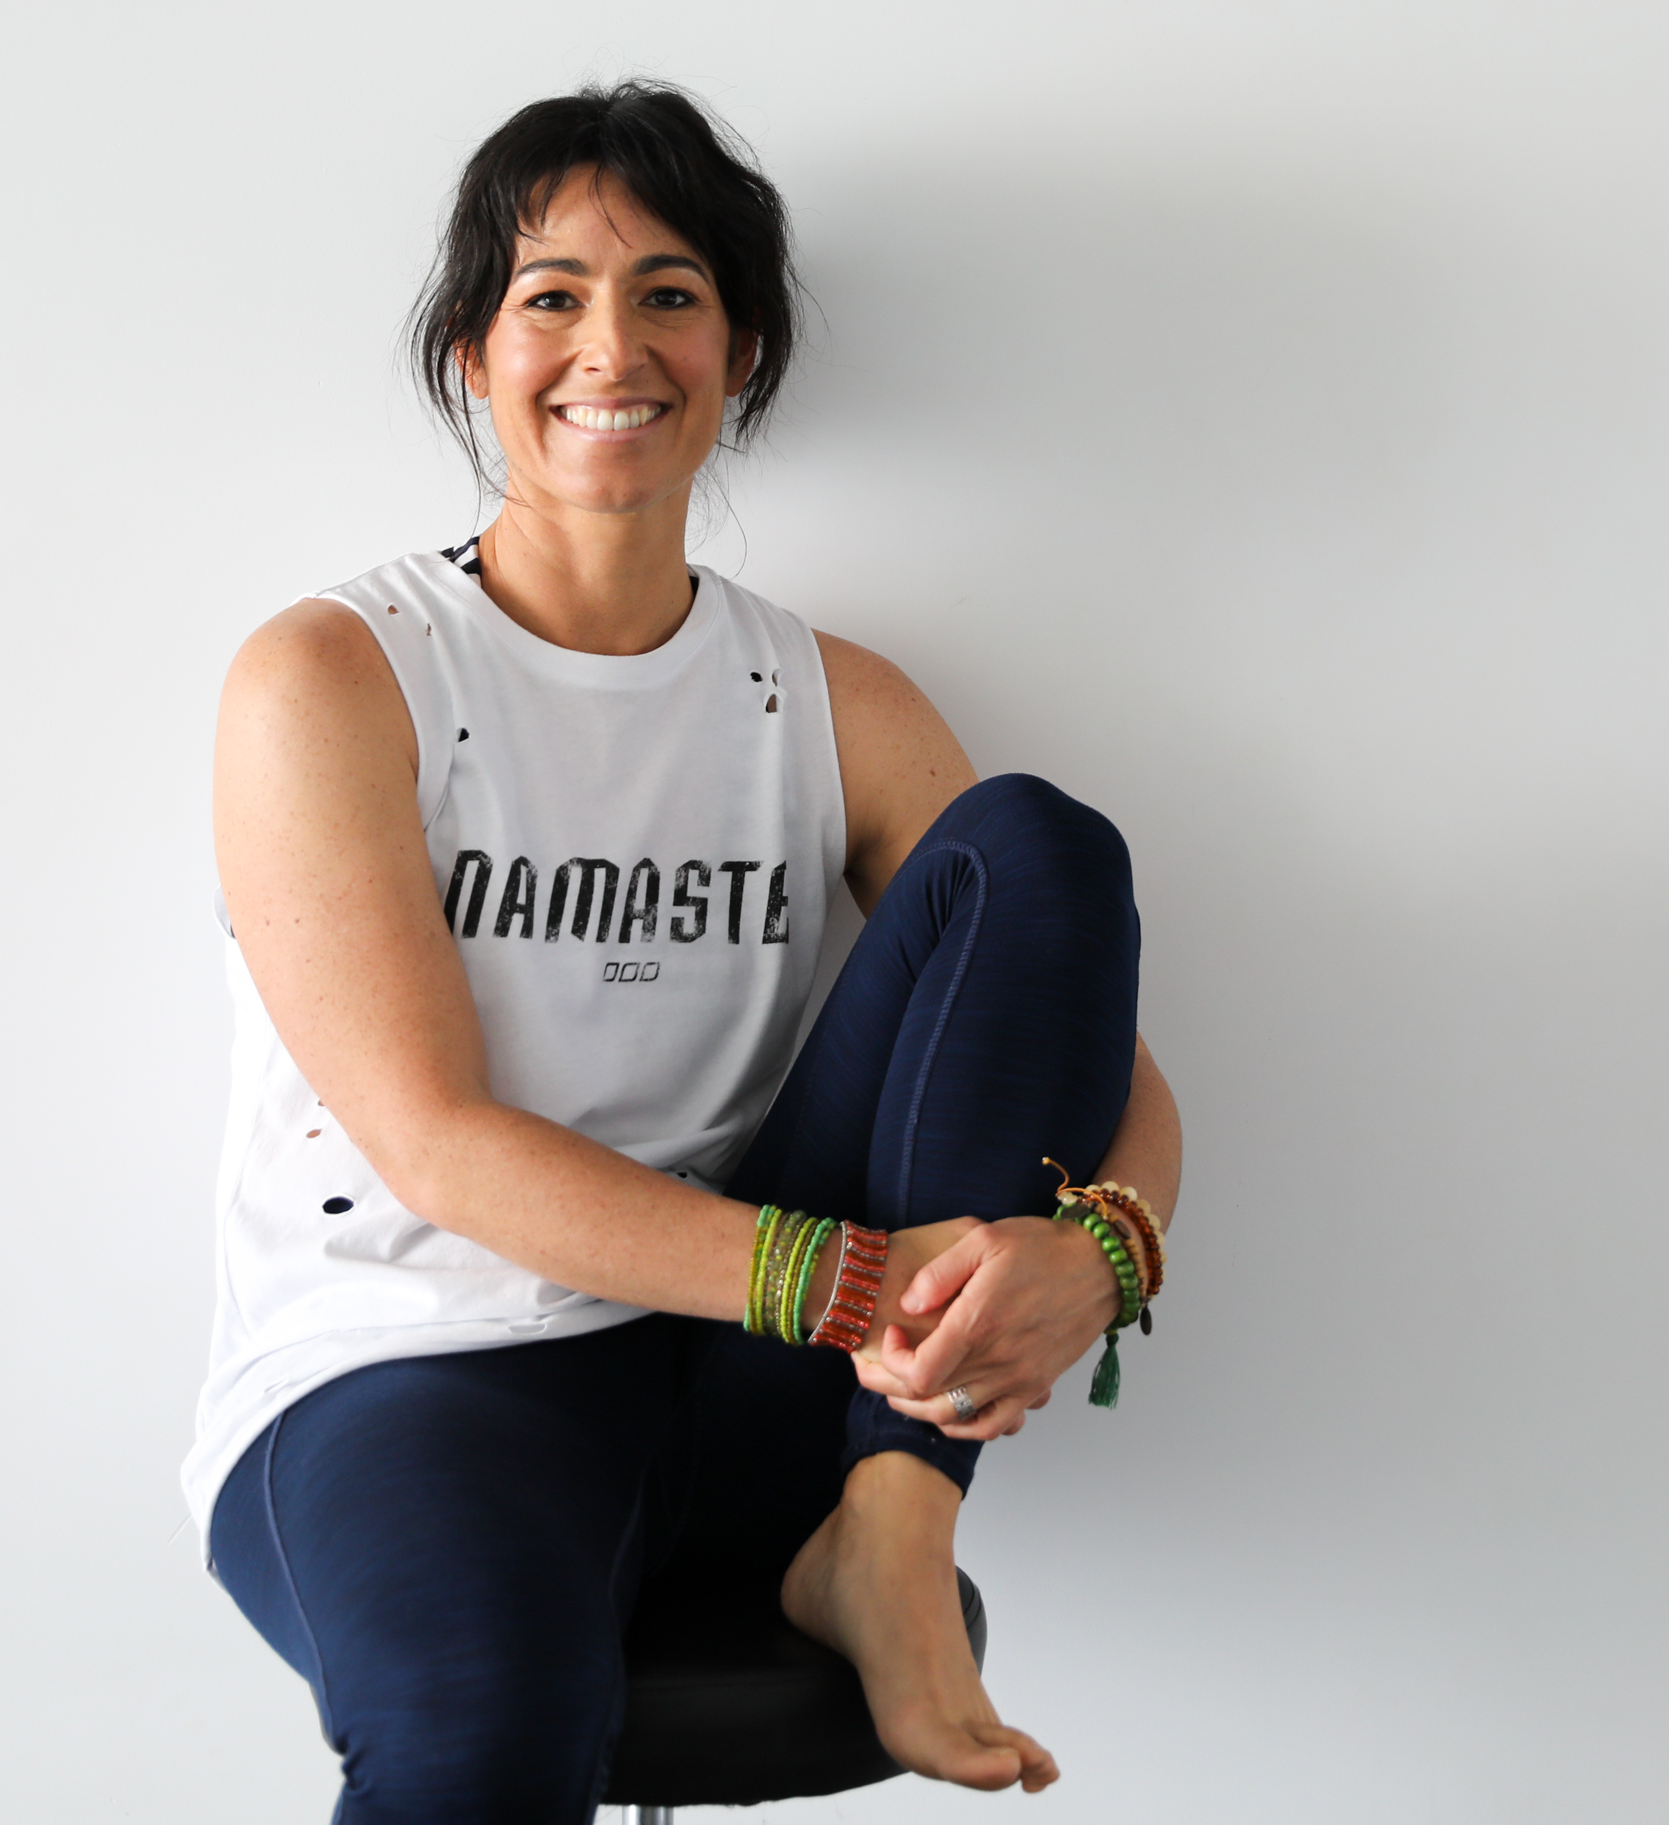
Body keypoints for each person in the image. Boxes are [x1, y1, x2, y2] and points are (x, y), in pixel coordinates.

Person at [186, 80, 1183, 1824]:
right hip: (417, 1364)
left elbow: (1100, 1056)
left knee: (1036, 848)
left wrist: (1102, 1255)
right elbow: (437, 1140)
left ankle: (890, 1526)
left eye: (669, 293)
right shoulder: (337, 679)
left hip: (755, 1390)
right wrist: (865, 1287)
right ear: (471, 355)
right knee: (483, 1729)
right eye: (550, 294)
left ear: (739, 354)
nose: (611, 345)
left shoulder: (828, 699)